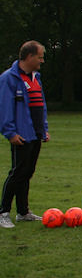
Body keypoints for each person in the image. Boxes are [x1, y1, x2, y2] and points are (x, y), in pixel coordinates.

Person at [0, 41, 49, 229]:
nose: (42, 60)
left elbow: (41, 105)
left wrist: (44, 128)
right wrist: (10, 132)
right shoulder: (9, 79)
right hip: (20, 134)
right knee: (17, 172)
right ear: (29, 57)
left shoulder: (36, 77)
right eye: (40, 56)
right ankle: (3, 211)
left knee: (28, 172)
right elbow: (4, 108)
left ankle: (23, 212)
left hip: (35, 133)